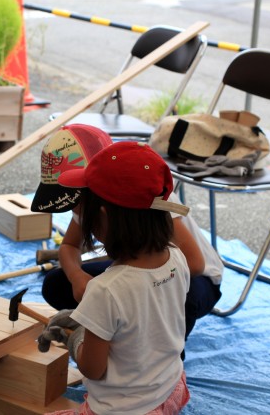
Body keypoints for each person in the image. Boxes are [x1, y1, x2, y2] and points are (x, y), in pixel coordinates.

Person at [31, 124, 223, 356]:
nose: (77, 209)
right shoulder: (86, 198)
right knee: (57, 283)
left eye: (78, 198)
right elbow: (70, 246)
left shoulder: (149, 193)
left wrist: (128, 284)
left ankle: (166, 355)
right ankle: (114, 333)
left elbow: (194, 264)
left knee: (168, 296)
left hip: (192, 278)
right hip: (138, 267)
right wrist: (78, 277)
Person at [38, 141, 192, 415]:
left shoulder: (105, 290)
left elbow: (93, 370)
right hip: (171, 392)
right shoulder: (176, 257)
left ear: (102, 217)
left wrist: (76, 337)